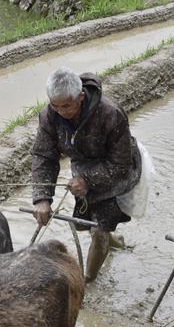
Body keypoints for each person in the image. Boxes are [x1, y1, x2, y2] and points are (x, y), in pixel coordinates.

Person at [30, 66, 142, 282]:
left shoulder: (110, 113)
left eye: (67, 106)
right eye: (55, 105)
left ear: (81, 97)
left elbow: (121, 163)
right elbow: (44, 156)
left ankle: (88, 279)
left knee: (99, 229)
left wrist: (87, 180)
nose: (61, 111)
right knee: (85, 223)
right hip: (83, 166)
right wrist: (42, 198)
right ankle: (114, 240)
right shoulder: (49, 116)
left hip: (116, 173)